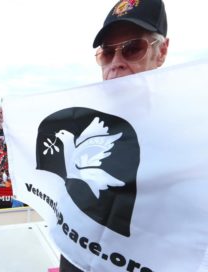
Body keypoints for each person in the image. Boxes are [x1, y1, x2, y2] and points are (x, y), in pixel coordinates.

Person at [60, 0, 169, 271]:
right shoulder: (83, 119)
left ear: (161, 51)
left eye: (133, 48)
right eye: (107, 53)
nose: (116, 63)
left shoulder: (189, 132)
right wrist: (15, 120)